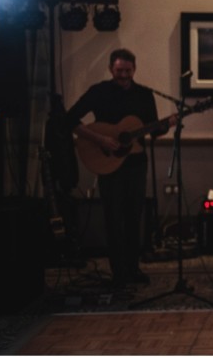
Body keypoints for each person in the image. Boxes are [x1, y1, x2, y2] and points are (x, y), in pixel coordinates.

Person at [66, 48, 170, 287]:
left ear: (135, 69)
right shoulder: (98, 92)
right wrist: (100, 139)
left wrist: (166, 125)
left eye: (128, 71)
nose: (123, 75)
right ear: (111, 69)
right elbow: (69, 119)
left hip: (136, 163)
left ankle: (133, 269)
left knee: (134, 217)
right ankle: (118, 273)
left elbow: (152, 128)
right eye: (119, 71)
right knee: (114, 218)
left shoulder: (144, 94)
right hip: (108, 163)